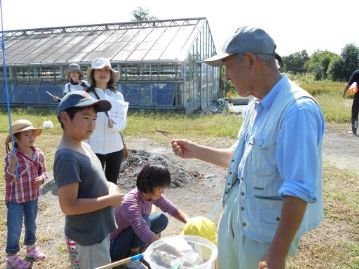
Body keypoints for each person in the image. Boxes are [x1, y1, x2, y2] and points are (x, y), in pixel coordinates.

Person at [171, 26, 325, 269]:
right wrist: (196, 151)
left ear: (251, 61)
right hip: (237, 219)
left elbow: (299, 188)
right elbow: (239, 158)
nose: (227, 75)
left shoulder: (297, 110)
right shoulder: (256, 105)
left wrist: (276, 254)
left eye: (228, 66)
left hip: (263, 235)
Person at [53, 91, 124, 269]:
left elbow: (97, 179)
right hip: (88, 237)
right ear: (64, 118)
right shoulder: (67, 157)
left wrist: (111, 186)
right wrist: (110, 200)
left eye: (94, 118)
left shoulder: (84, 146)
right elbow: (69, 206)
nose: (92, 124)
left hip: (98, 230)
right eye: (85, 118)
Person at [110, 164, 189, 263]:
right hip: (114, 246)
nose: (163, 190)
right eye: (161, 187)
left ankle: (138, 248)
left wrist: (190, 222)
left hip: (130, 234)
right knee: (145, 222)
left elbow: (173, 209)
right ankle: (133, 258)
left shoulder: (150, 195)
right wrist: (175, 251)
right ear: (149, 185)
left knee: (161, 219)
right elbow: (144, 232)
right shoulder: (129, 202)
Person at [4, 119, 47, 269]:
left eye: (32, 134)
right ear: (16, 138)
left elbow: (44, 172)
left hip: (32, 197)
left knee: (31, 224)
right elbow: (8, 180)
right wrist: (12, 165)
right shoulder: (11, 156)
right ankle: (11, 257)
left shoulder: (39, 154)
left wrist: (41, 179)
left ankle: (31, 248)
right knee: (14, 227)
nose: (31, 137)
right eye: (26, 135)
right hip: (16, 199)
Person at [86, 57, 128, 184]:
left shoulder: (117, 95)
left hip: (115, 147)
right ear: (93, 74)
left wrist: (114, 126)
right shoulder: (86, 96)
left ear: (110, 74)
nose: (103, 73)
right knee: (94, 184)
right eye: (99, 70)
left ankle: (110, 204)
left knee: (112, 183)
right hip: (93, 147)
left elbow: (123, 121)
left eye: (106, 70)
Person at [342, 69, 359, 136]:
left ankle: (354, 130)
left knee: (355, 114)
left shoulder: (356, 73)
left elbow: (349, 85)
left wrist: (344, 93)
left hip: (358, 97)